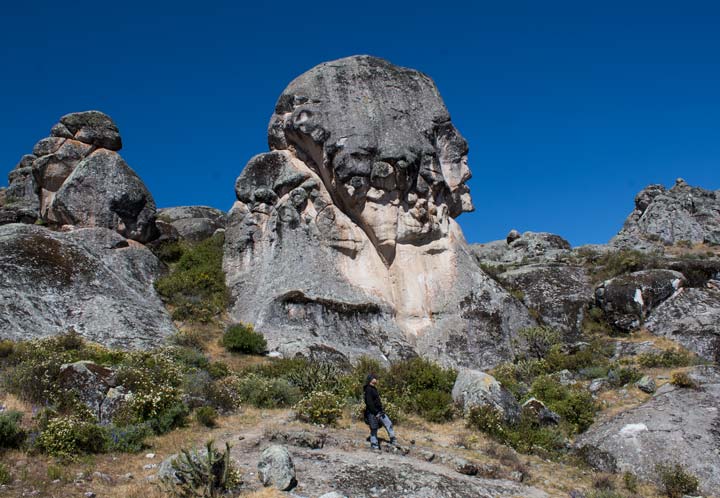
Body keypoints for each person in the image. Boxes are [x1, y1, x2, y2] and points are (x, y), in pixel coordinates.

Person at [363, 373, 396, 450]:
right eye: (374, 378)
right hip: (372, 413)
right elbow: (369, 403)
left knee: (388, 423)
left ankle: (393, 440)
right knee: (374, 428)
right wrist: (375, 413)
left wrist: (380, 411)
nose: (376, 379)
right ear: (371, 379)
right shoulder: (368, 389)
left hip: (380, 412)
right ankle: (374, 445)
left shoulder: (374, 388)